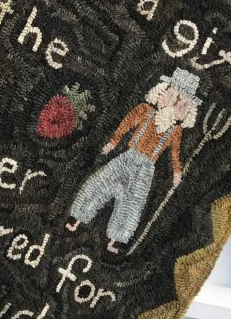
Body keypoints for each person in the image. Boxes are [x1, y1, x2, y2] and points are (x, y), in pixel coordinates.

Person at [69, 68, 201, 253]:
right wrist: (113, 142)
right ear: (160, 91)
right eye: (171, 95)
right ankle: (77, 218)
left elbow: (175, 154)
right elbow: (126, 124)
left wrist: (177, 172)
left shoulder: (175, 131)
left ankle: (115, 239)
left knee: (132, 203)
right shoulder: (145, 110)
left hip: (146, 169)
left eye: (183, 104)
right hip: (128, 157)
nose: (174, 105)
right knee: (102, 183)